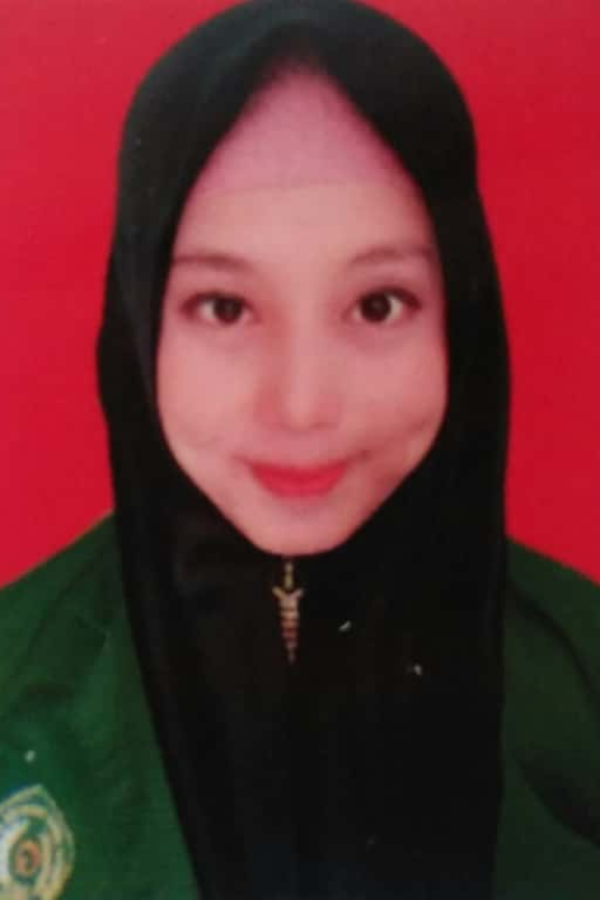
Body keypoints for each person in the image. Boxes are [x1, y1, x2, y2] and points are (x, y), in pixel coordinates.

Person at [0, 1, 598, 898]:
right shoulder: (16, 679)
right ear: (137, 324)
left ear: (463, 318)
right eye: (226, 307)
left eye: (378, 305)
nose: (302, 405)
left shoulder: (585, 678)